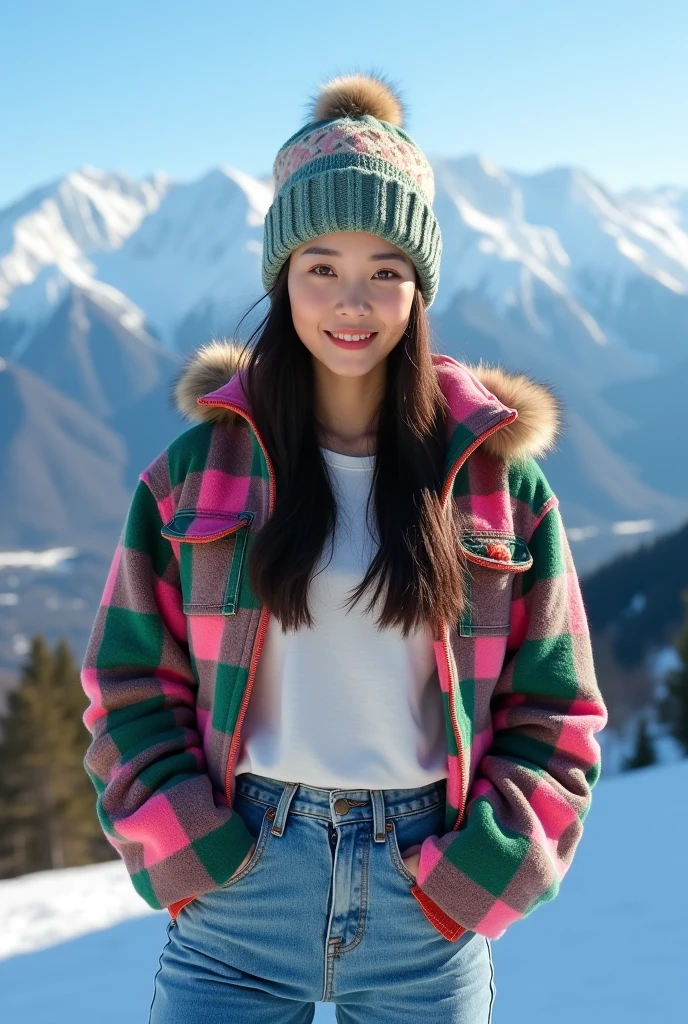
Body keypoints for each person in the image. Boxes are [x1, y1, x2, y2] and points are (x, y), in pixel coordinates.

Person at [81, 72, 607, 1023]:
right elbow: (126, 685)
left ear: (420, 285)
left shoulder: (499, 486)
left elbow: (558, 711)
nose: (351, 301)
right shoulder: (198, 471)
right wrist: (193, 849)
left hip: (425, 906)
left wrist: (479, 876)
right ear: (282, 279)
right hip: (240, 887)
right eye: (321, 265)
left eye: (386, 270)